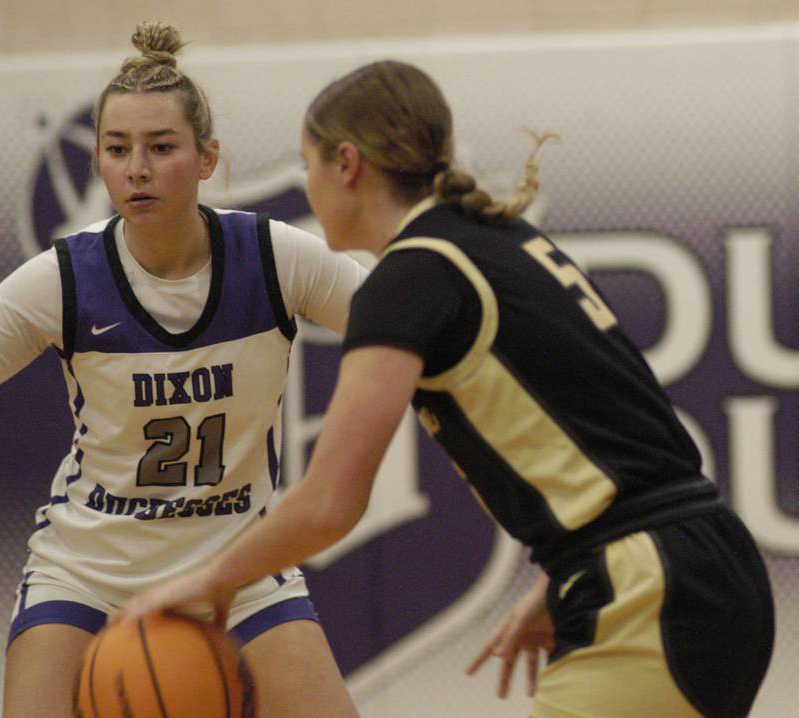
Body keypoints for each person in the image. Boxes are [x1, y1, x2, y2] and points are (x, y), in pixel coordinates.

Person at [121, 59, 775, 718]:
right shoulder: (497, 238)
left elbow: (328, 503)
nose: (308, 186)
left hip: (648, 590)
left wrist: (209, 581)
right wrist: (561, 577)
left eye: (308, 163)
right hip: (699, 565)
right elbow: (609, 423)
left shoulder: (411, 279)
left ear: (346, 163)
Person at [0, 22, 365, 718]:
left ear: (207, 158)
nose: (136, 168)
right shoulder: (66, 278)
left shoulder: (272, 256)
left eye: (161, 148)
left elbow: (402, 322)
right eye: (116, 149)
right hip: (88, 571)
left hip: (239, 567)